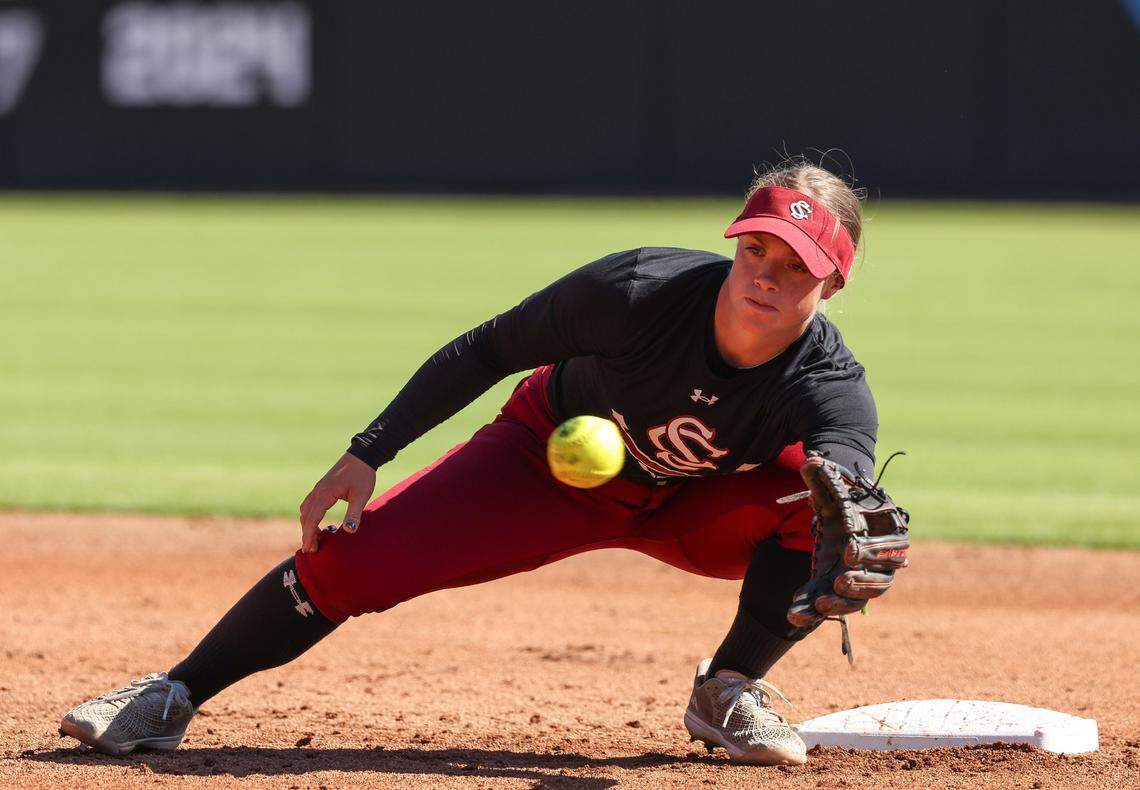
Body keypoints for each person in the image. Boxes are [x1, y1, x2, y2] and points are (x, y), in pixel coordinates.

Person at [59, 159, 908, 766]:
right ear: (736, 240)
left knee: (822, 500)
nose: (767, 275)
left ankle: (730, 689)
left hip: (695, 510)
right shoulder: (637, 294)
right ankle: (172, 694)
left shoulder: (832, 388)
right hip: (545, 464)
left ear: (833, 286)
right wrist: (369, 451)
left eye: (797, 266)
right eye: (757, 249)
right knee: (351, 563)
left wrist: (845, 530)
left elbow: (849, 478)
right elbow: (488, 348)